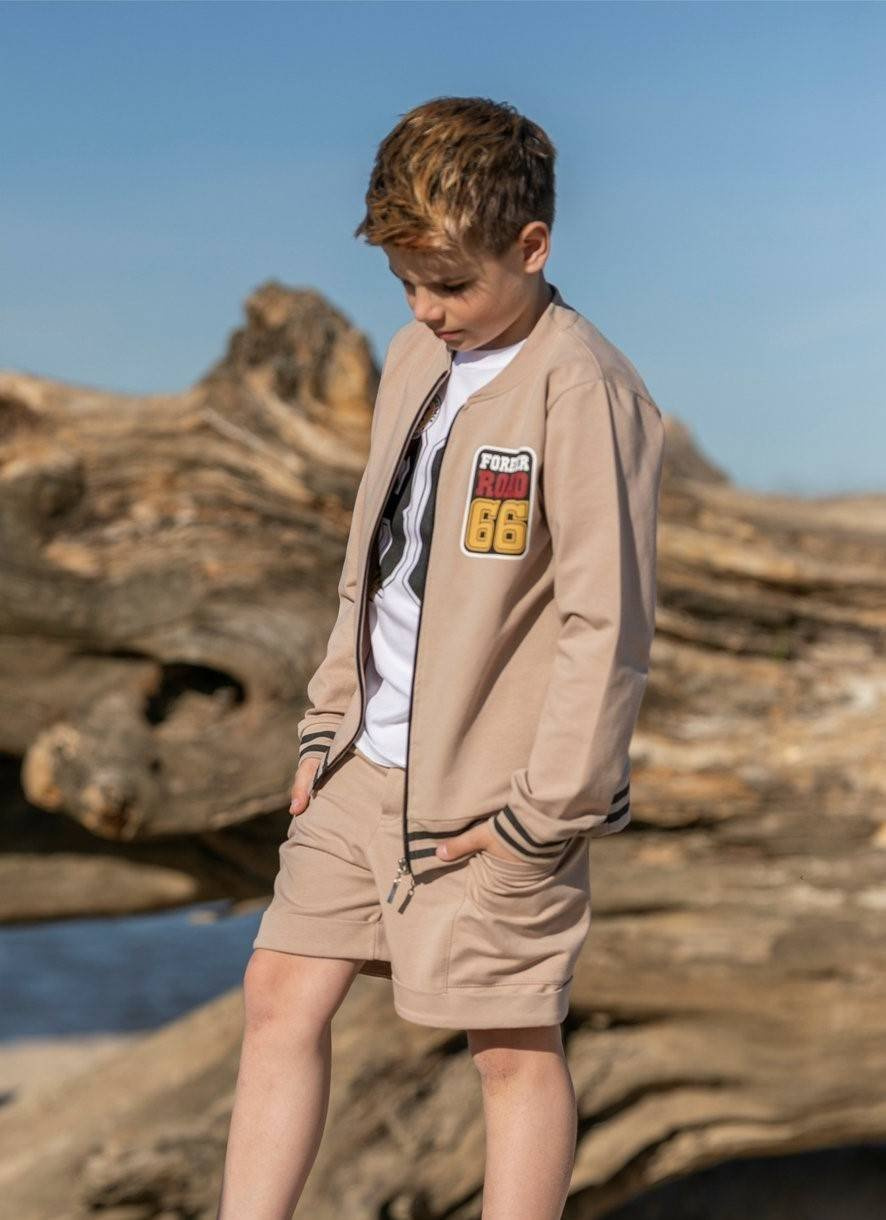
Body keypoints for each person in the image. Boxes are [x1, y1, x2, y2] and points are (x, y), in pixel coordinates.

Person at [217, 95, 665, 1220]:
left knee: (509, 1050)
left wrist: (543, 815)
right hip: (360, 764)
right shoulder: (415, 356)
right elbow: (370, 561)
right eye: (406, 282)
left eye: (451, 284)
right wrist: (326, 722)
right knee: (277, 993)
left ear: (532, 246)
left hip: (498, 799)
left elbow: (606, 625)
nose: (425, 308)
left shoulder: (585, 389)